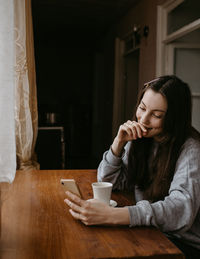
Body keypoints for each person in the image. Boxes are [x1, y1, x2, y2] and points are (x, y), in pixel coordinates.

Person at [65, 75, 200, 258]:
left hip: (183, 244)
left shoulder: (191, 149)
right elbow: (108, 181)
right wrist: (118, 143)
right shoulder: (142, 139)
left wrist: (114, 216)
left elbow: (181, 209)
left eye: (157, 115)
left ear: (174, 118)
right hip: (150, 230)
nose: (144, 119)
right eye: (142, 108)